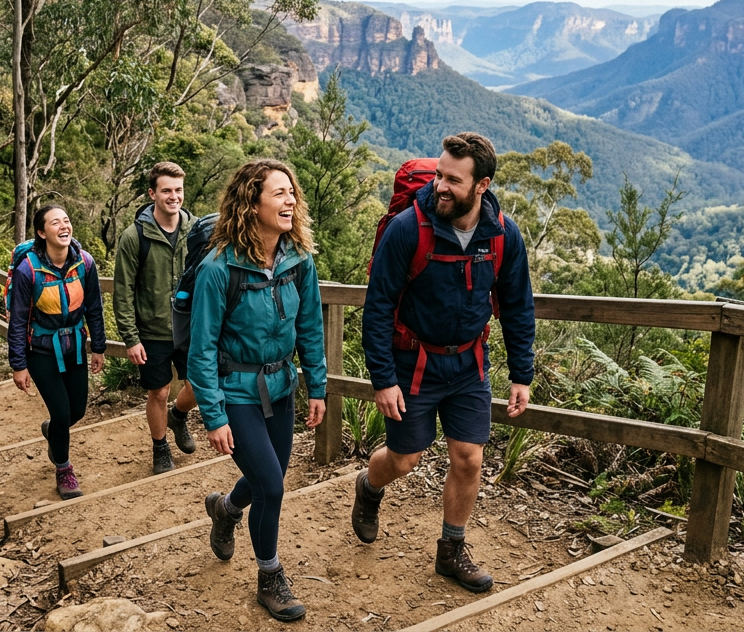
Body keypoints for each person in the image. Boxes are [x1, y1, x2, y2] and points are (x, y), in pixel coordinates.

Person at [354, 132, 536, 592]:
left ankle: (451, 550)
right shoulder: (407, 229)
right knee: (404, 458)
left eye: (453, 179)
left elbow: (517, 304)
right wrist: (383, 379)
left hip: (469, 363)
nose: (440, 186)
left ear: (482, 185)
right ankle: (369, 487)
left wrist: (522, 374)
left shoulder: (502, 235)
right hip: (413, 363)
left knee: (469, 459)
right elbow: (378, 305)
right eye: (438, 175)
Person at [191, 160, 328, 622]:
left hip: (282, 387)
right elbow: (202, 349)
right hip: (237, 392)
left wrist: (317, 385)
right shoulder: (218, 269)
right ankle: (270, 577)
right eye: (279, 193)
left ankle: (226, 509)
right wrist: (214, 415)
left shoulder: (298, 261)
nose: (290, 200)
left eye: (292, 192)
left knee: (267, 477)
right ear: (252, 203)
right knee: (271, 484)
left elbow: (310, 326)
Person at [8, 204, 107, 500]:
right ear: (42, 233)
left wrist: (98, 347)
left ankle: (53, 430)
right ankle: (64, 470)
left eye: (66, 220)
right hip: (41, 351)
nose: (64, 226)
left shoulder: (85, 263)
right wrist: (18, 364)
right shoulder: (29, 270)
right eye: (55, 223)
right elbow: (18, 319)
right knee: (62, 412)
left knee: (77, 410)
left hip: (75, 345)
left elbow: (94, 308)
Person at [113, 161, 200, 474]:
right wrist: (130, 338)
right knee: (159, 391)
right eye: (166, 190)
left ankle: (178, 416)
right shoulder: (134, 237)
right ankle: (160, 447)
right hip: (153, 328)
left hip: (192, 325)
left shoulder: (198, 231)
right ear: (152, 194)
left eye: (178, 190)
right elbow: (122, 291)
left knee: (202, 383)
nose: (173, 196)